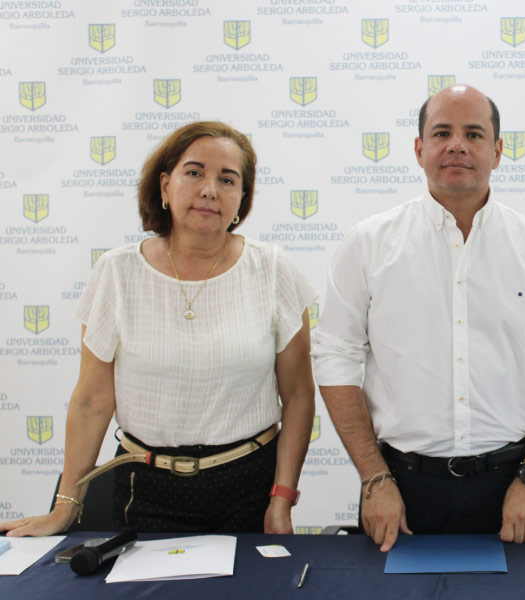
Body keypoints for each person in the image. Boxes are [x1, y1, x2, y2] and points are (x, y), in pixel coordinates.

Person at [313, 84, 525, 550]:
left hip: (511, 488)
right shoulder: (368, 244)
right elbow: (335, 360)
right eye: (442, 133)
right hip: (398, 488)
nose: (457, 145)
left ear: (498, 152)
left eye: (474, 134)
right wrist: (373, 478)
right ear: (419, 149)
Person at [0, 121, 317, 536]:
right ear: (165, 186)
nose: (210, 190)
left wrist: (282, 499)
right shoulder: (117, 272)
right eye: (194, 172)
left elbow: (298, 395)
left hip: (250, 488)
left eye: (227, 179)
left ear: (243, 198)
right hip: (145, 488)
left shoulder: (273, 270)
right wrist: (65, 507)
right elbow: (92, 401)